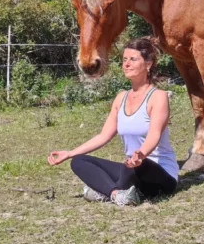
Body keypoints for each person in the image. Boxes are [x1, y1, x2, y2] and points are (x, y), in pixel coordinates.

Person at [47, 37, 179, 206]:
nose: (126, 64)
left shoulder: (158, 97)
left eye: (133, 59)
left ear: (148, 64)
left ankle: (104, 190)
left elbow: (154, 135)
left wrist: (141, 155)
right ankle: (116, 194)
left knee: (135, 167)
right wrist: (70, 153)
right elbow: (103, 136)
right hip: (130, 168)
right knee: (79, 161)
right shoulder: (121, 98)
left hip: (158, 172)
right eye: (124, 60)